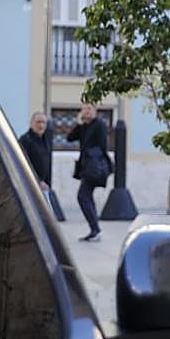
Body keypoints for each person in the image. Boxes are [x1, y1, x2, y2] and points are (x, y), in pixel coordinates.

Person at [67, 103, 110, 242]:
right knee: (86, 196)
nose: (86, 112)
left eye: (89, 109)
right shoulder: (84, 127)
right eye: (84, 109)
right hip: (87, 167)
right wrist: (79, 124)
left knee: (83, 196)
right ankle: (94, 229)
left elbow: (102, 146)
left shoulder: (99, 125)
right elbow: (70, 138)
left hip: (94, 167)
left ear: (95, 111)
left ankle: (95, 229)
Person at [18, 111, 52, 192]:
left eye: (44, 122)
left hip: (44, 185)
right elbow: (23, 164)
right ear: (31, 123)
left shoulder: (46, 139)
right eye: (38, 122)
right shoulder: (25, 140)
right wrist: (38, 180)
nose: (41, 125)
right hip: (31, 185)